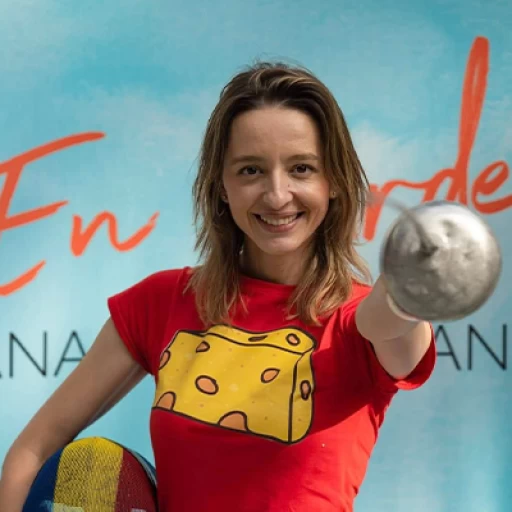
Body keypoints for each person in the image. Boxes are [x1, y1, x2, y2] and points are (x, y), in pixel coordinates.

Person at [0, 61, 436, 512]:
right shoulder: (162, 302)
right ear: (222, 186)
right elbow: (34, 449)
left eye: (302, 168)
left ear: (335, 183)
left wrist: (412, 283)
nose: (277, 194)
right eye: (251, 170)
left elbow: (390, 320)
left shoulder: (361, 321)